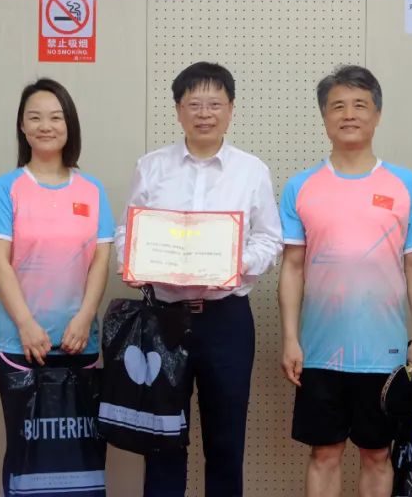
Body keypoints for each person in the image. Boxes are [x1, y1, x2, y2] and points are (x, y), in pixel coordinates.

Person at [114, 61, 282, 497]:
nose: (204, 113)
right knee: (163, 439)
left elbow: (270, 240)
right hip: (164, 318)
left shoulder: (251, 171)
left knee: (225, 441)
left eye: (214, 104)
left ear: (231, 109)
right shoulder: (151, 167)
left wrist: (233, 264)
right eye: (194, 104)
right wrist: (130, 261)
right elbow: (126, 232)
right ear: (178, 110)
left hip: (227, 320)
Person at [277, 65, 412, 497]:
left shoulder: (405, 185)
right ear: (324, 116)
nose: (349, 115)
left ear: (377, 114)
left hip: (384, 353)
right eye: (338, 106)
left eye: (360, 105)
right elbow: (292, 267)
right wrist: (291, 339)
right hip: (320, 351)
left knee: (377, 454)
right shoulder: (301, 186)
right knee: (324, 453)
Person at [0, 78, 114, 496]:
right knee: (25, 450)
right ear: (22, 126)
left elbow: (100, 262)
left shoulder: (92, 190)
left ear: (69, 124)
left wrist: (84, 319)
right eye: (35, 117)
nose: (45, 126)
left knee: (79, 452)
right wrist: (25, 325)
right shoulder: (6, 188)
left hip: (80, 343)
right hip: (19, 344)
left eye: (55, 117)